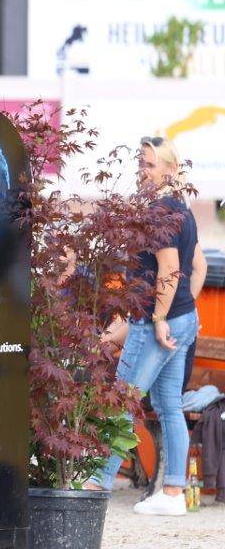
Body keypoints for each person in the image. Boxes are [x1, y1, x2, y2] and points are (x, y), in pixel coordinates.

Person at [87, 136, 206, 515]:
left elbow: (170, 269)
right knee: (169, 405)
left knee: (123, 400)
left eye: (150, 165)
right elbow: (194, 267)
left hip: (158, 321)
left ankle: (96, 484)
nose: (142, 171)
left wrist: (158, 318)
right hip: (181, 318)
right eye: (140, 163)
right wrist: (177, 315)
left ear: (171, 169)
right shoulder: (181, 209)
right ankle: (173, 492)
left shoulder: (159, 213)